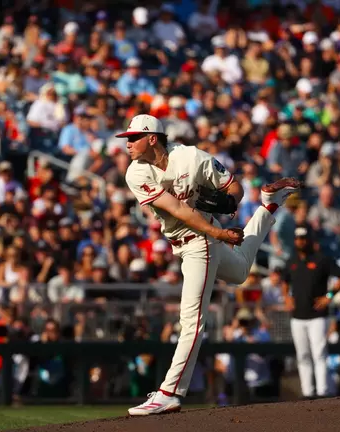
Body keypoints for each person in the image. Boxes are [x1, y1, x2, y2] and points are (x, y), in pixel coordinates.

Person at [120, 114, 301, 415]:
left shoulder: (191, 157)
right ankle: (269, 204)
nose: (128, 144)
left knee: (192, 320)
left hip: (199, 242)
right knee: (241, 272)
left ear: (152, 137)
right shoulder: (136, 173)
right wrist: (220, 232)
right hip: (197, 237)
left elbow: (235, 189)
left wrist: (226, 206)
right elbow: (176, 208)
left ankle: (170, 392)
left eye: (133, 137)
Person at [283, 227, 340, 399]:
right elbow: (284, 280)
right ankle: (307, 393)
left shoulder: (322, 260)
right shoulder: (292, 260)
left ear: (310, 240)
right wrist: (286, 297)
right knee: (303, 355)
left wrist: (330, 296)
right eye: (298, 238)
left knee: (319, 354)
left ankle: (322, 392)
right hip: (297, 317)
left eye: (303, 238)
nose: (300, 241)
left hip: (317, 316)